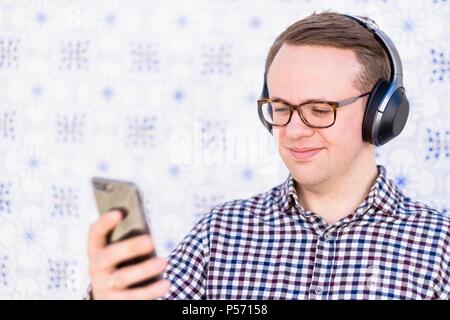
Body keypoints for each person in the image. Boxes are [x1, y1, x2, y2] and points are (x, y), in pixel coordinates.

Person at [86, 11, 449, 300]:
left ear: (382, 114)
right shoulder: (221, 233)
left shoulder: (439, 246)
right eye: (280, 107)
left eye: (320, 110)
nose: (292, 131)